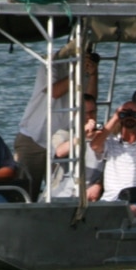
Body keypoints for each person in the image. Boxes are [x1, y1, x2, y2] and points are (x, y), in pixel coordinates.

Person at [14, 51, 100, 201]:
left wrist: (92, 74)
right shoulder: (51, 62)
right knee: (24, 194)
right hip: (34, 137)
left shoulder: (85, 68)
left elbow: (89, 100)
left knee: (58, 191)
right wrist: (78, 72)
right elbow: (54, 92)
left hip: (63, 139)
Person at [48, 93, 105, 201]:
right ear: (75, 114)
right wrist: (82, 135)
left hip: (91, 193)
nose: (89, 117)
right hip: (63, 192)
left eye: (92, 112)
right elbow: (59, 152)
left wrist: (99, 185)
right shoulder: (63, 134)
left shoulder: (104, 137)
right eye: (85, 113)